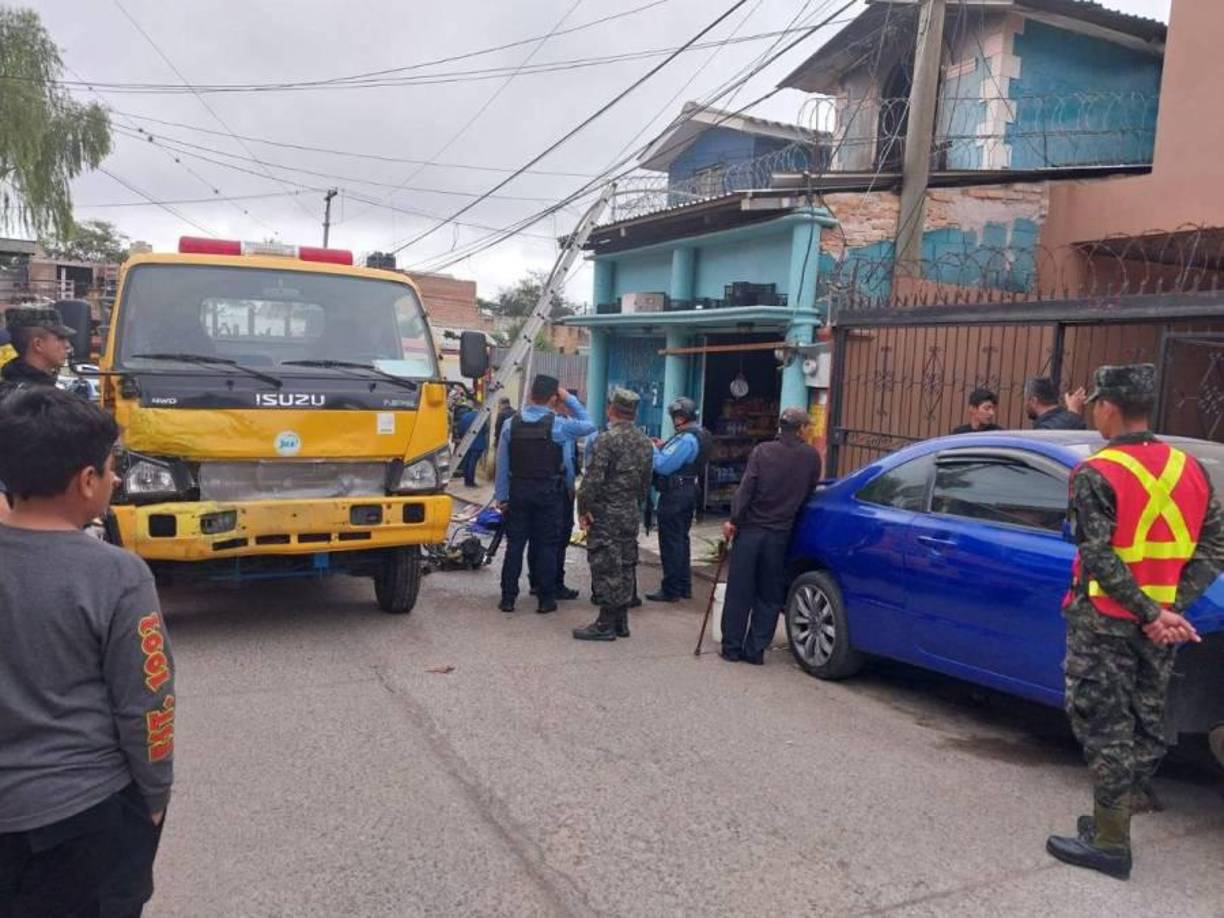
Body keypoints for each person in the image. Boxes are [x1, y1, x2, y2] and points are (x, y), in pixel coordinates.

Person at [0, 387, 175, 917]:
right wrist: (155, 797)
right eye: (111, 467)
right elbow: (148, 703)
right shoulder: (116, 575)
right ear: (85, 481)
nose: (117, 479)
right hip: (87, 818)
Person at [1046, 364, 1224, 881]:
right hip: (1159, 627)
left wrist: (1148, 612)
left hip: (1105, 621)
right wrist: (1169, 610)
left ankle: (1109, 842)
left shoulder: (1097, 473)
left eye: (1096, 404)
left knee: (1102, 723)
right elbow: (1213, 545)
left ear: (1108, 406)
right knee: (1146, 720)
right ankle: (1112, 814)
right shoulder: (1192, 468)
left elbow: (1098, 556)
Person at [719, 408, 823, 664]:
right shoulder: (811, 457)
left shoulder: (762, 451)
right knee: (768, 594)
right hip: (780, 534)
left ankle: (732, 647)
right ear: (800, 430)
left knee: (739, 590)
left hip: (750, 531)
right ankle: (755, 650)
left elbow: (746, 489)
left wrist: (733, 519)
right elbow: (809, 490)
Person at [494, 375, 595, 614]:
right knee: (547, 546)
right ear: (553, 398)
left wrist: (502, 497)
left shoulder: (511, 424)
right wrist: (569, 398)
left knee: (515, 546)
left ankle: (508, 599)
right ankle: (546, 600)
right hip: (548, 493)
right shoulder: (558, 425)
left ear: (530, 394)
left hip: (518, 491)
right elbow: (589, 424)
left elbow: (502, 464)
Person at [573, 388, 654, 641]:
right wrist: (635, 506)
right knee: (626, 563)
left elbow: (592, 481)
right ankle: (621, 620)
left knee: (606, 564)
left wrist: (583, 509)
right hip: (629, 510)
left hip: (606, 512)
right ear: (634, 413)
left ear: (612, 409)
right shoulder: (644, 442)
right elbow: (645, 482)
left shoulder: (606, 440)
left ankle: (605, 624)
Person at [646, 397, 713, 603]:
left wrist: (654, 449)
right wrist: (664, 446)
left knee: (671, 542)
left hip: (675, 494)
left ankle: (671, 589)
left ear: (680, 417)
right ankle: (684, 586)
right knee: (681, 540)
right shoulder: (701, 434)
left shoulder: (686, 439)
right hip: (688, 490)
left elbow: (663, 466)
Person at [0, 305, 75, 402]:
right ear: (38, 344)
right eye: (60, 338)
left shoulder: (11, 392)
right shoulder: (37, 401)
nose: (67, 345)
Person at [456, 402, 488, 487]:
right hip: (478, 444)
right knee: (472, 463)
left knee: (467, 462)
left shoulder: (465, 416)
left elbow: (460, 429)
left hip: (466, 443)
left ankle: (466, 481)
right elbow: (486, 430)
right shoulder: (481, 417)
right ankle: (471, 482)